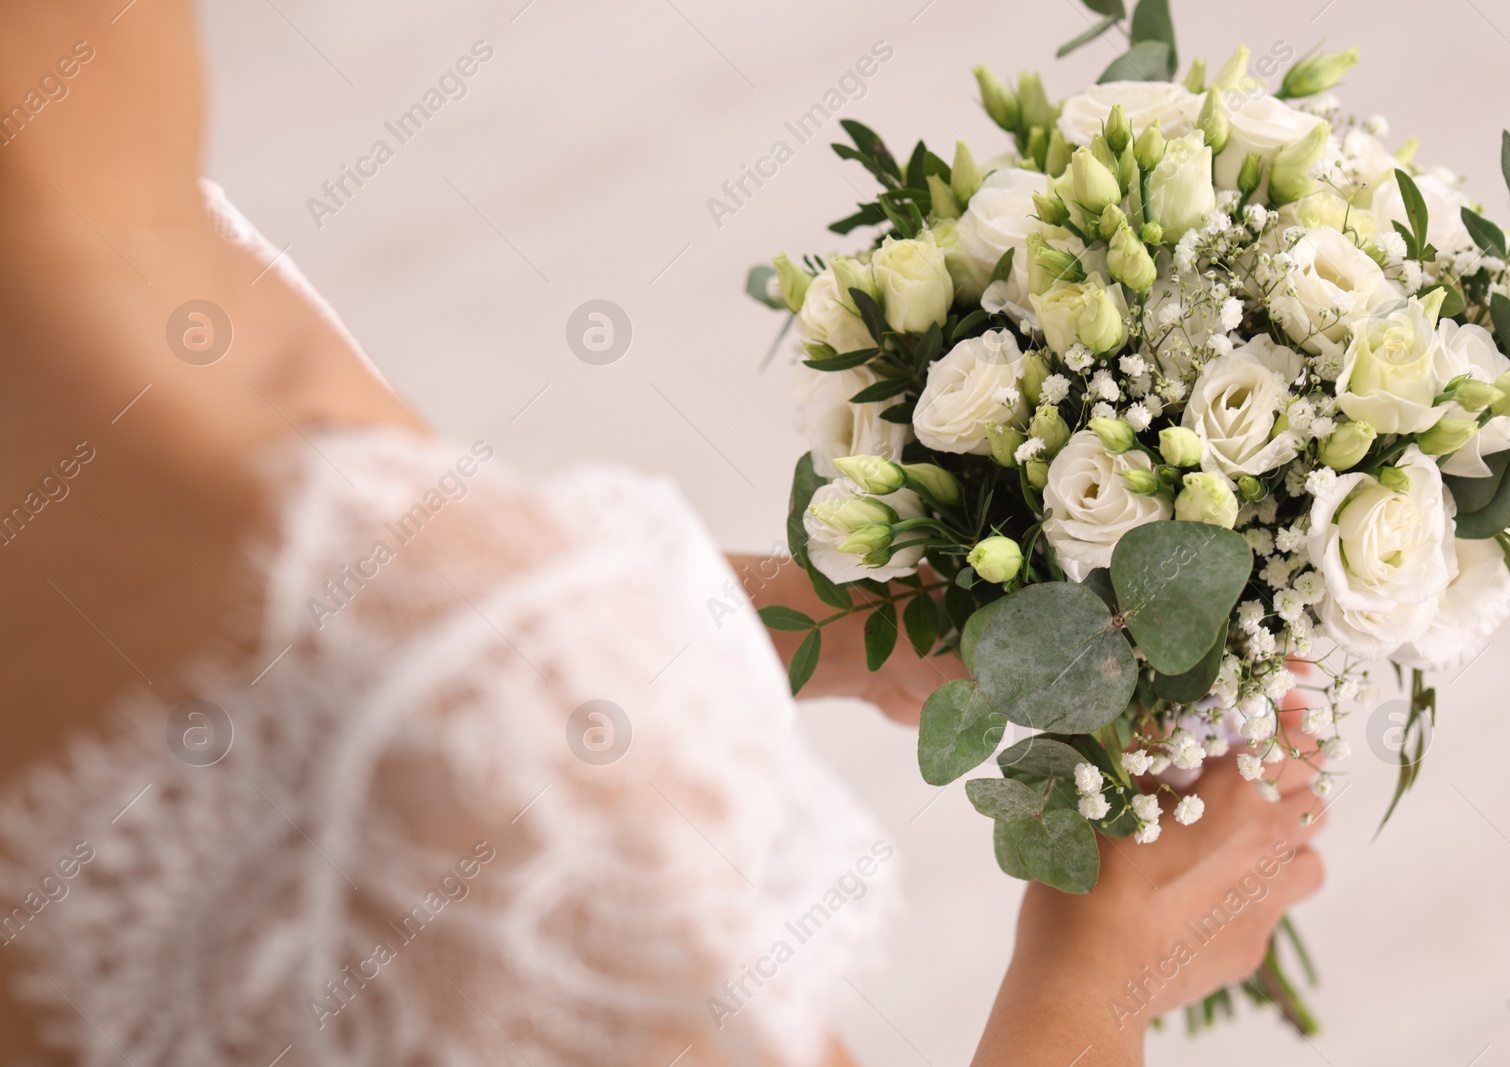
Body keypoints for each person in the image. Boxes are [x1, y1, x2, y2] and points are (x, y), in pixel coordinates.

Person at [0, 2, 1325, 1063]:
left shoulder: (93, 256)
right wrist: (1099, 979)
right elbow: (391, 698)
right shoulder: (492, 776)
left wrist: (820, 631)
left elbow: (306, 659)